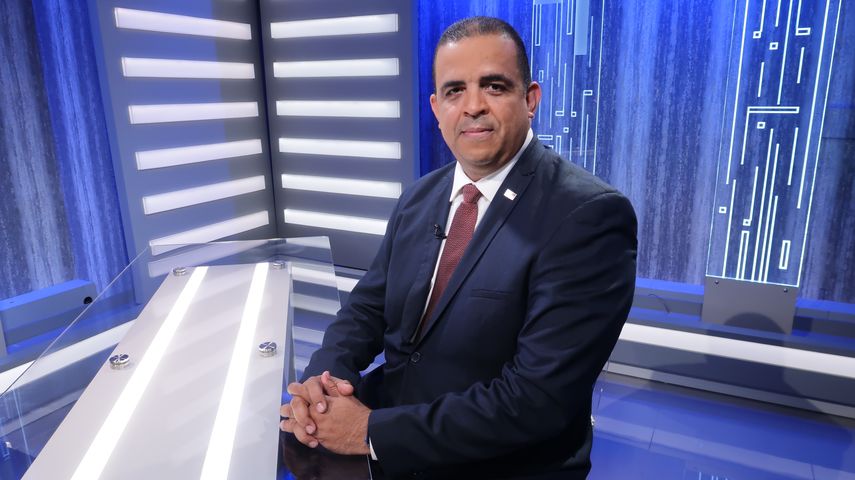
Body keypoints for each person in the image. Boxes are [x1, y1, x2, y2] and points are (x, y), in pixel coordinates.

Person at [280, 16, 637, 479]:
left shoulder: (588, 216)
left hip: (500, 463)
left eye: (494, 86)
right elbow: (368, 308)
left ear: (530, 99)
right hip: (393, 430)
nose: (472, 107)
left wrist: (370, 432)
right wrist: (324, 380)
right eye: (454, 91)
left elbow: (537, 399)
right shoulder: (418, 197)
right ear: (436, 107)